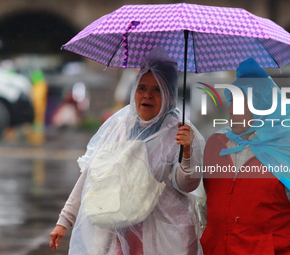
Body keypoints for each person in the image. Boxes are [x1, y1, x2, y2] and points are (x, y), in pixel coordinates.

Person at [50, 47, 205, 255]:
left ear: (169, 93)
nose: (147, 95)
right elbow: (92, 175)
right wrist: (64, 220)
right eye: (142, 87)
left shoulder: (180, 132)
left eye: (157, 89)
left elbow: (187, 185)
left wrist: (187, 153)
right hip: (120, 237)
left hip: (165, 240)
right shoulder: (120, 126)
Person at [200, 58, 290, 255]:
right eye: (231, 101)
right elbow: (204, 212)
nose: (230, 110)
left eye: (239, 104)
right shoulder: (216, 145)